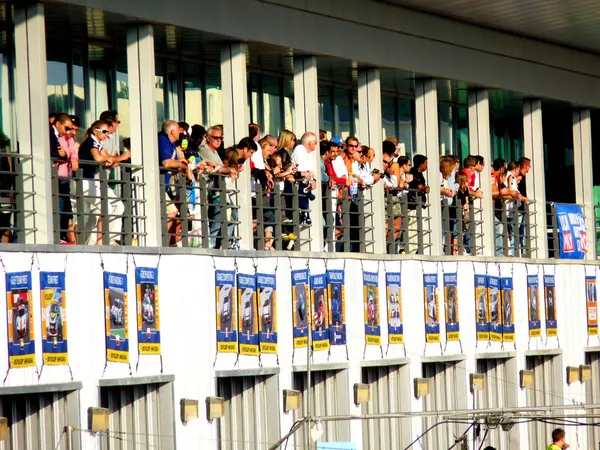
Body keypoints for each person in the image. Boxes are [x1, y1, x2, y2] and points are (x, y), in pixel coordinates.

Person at [78, 120, 124, 245]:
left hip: (88, 181)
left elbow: (106, 157)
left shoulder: (97, 143)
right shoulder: (91, 142)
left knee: (97, 211)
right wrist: (111, 158)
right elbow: (98, 158)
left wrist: (110, 159)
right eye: (104, 132)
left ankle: (90, 242)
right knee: (106, 208)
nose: (106, 135)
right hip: (83, 181)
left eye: (108, 133)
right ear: (95, 131)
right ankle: (102, 240)